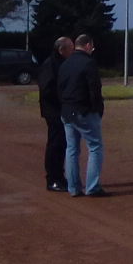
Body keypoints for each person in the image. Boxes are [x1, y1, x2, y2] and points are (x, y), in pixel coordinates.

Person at [58, 34, 109, 197]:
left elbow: (60, 87)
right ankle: (92, 187)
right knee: (95, 147)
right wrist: (98, 109)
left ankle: (73, 187)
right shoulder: (89, 63)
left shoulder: (65, 63)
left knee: (71, 149)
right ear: (87, 45)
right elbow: (94, 89)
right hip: (84, 111)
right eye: (92, 46)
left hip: (67, 111)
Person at [37, 36, 75, 192]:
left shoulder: (62, 63)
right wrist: (63, 99)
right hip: (54, 112)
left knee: (62, 144)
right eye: (70, 48)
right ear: (61, 50)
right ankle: (52, 179)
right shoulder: (50, 65)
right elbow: (47, 90)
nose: (72, 51)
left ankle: (60, 176)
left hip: (62, 110)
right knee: (55, 145)